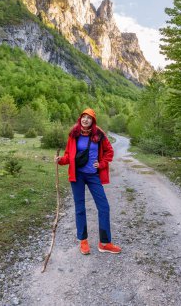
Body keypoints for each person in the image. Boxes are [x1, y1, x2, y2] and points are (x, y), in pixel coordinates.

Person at [54, 108, 121, 255]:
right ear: (80, 119)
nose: (85, 120)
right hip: (77, 176)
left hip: (93, 176)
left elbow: (109, 151)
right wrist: (60, 161)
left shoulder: (99, 134)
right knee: (80, 208)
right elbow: (68, 156)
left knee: (104, 207)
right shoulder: (74, 134)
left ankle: (105, 243)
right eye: (83, 117)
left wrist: (102, 163)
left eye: (89, 118)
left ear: (93, 121)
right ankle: (83, 241)